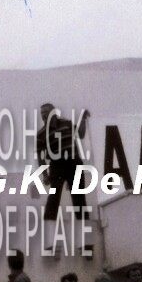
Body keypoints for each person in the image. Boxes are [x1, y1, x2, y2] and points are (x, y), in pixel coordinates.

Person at [36, 104, 92, 253]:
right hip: (57, 166)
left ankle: (87, 244)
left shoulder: (66, 123)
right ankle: (49, 242)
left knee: (79, 201)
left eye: (45, 112)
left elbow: (80, 134)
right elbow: (40, 157)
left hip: (74, 163)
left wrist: (83, 119)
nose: (43, 115)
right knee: (53, 201)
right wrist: (45, 174)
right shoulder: (41, 134)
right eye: (42, 113)